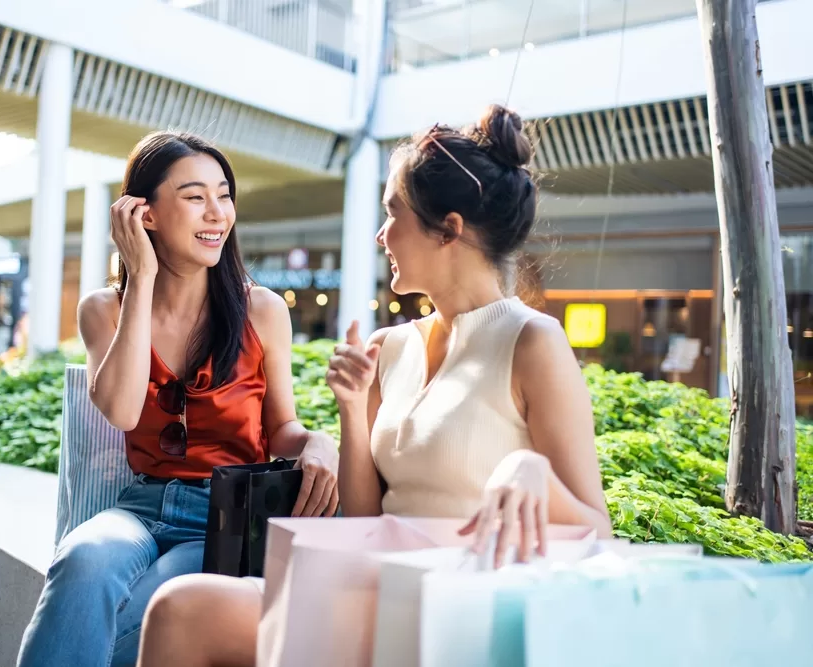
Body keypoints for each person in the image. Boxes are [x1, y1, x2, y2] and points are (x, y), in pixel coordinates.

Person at [134, 105, 612, 667]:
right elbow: (363, 522)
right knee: (181, 609)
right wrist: (352, 408)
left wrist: (529, 472)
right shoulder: (390, 346)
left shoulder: (532, 341)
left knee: (184, 611)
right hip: (379, 588)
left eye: (393, 214)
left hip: (464, 607)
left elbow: (596, 532)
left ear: (449, 230)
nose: (382, 234)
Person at [16, 131, 340, 667]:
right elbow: (122, 410)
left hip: (223, 516)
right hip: (141, 507)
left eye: (224, 195)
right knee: (83, 558)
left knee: (156, 602)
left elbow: (283, 427)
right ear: (145, 215)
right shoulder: (105, 310)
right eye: (195, 198)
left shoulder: (261, 310)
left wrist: (319, 441)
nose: (217, 214)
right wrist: (140, 278)